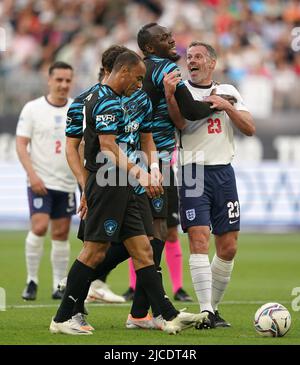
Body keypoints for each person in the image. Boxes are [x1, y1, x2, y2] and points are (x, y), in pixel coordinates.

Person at [50, 50, 208, 335]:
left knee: (144, 247)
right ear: (119, 71)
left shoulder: (139, 99)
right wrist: (87, 185)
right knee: (96, 250)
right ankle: (64, 314)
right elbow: (103, 147)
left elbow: (146, 138)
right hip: (107, 181)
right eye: (137, 78)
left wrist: (154, 169)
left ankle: (167, 314)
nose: (140, 84)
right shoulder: (96, 101)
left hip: (134, 184)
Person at [163, 41, 255, 328]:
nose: (192, 60)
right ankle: (205, 311)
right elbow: (179, 123)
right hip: (192, 170)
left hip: (224, 172)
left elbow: (249, 128)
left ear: (211, 63)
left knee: (228, 247)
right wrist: (169, 95)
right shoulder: (182, 90)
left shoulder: (229, 91)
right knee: (199, 238)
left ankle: (212, 308)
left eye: (198, 56)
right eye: (188, 56)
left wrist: (227, 106)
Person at [16, 61, 77, 300]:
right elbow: (21, 144)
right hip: (40, 181)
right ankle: (31, 281)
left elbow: (80, 147)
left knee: (61, 234)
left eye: (67, 80)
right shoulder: (32, 109)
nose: (63, 85)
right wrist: (32, 175)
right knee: (39, 227)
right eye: (59, 80)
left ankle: (58, 285)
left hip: (67, 183)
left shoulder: (76, 109)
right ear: (49, 80)